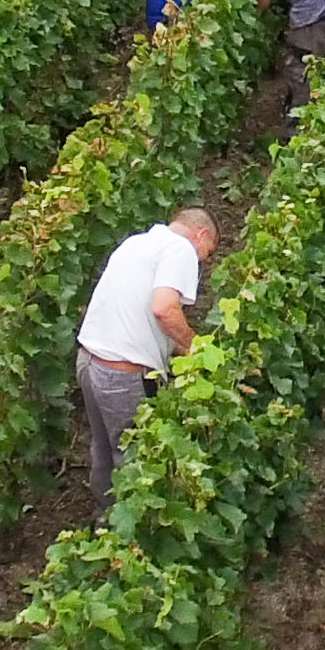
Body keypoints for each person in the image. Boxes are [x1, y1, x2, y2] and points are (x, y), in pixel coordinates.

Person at [75, 206, 218, 510]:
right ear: (201, 234)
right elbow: (164, 310)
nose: (202, 261)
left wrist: (193, 355)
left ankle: (107, 527)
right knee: (136, 460)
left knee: (103, 451)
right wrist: (196, 348)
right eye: (207, 252)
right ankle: (132, 538)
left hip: (89, 362)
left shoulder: (136, 243)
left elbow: (150, 323)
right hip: (122, 376)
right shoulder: (180, 249)